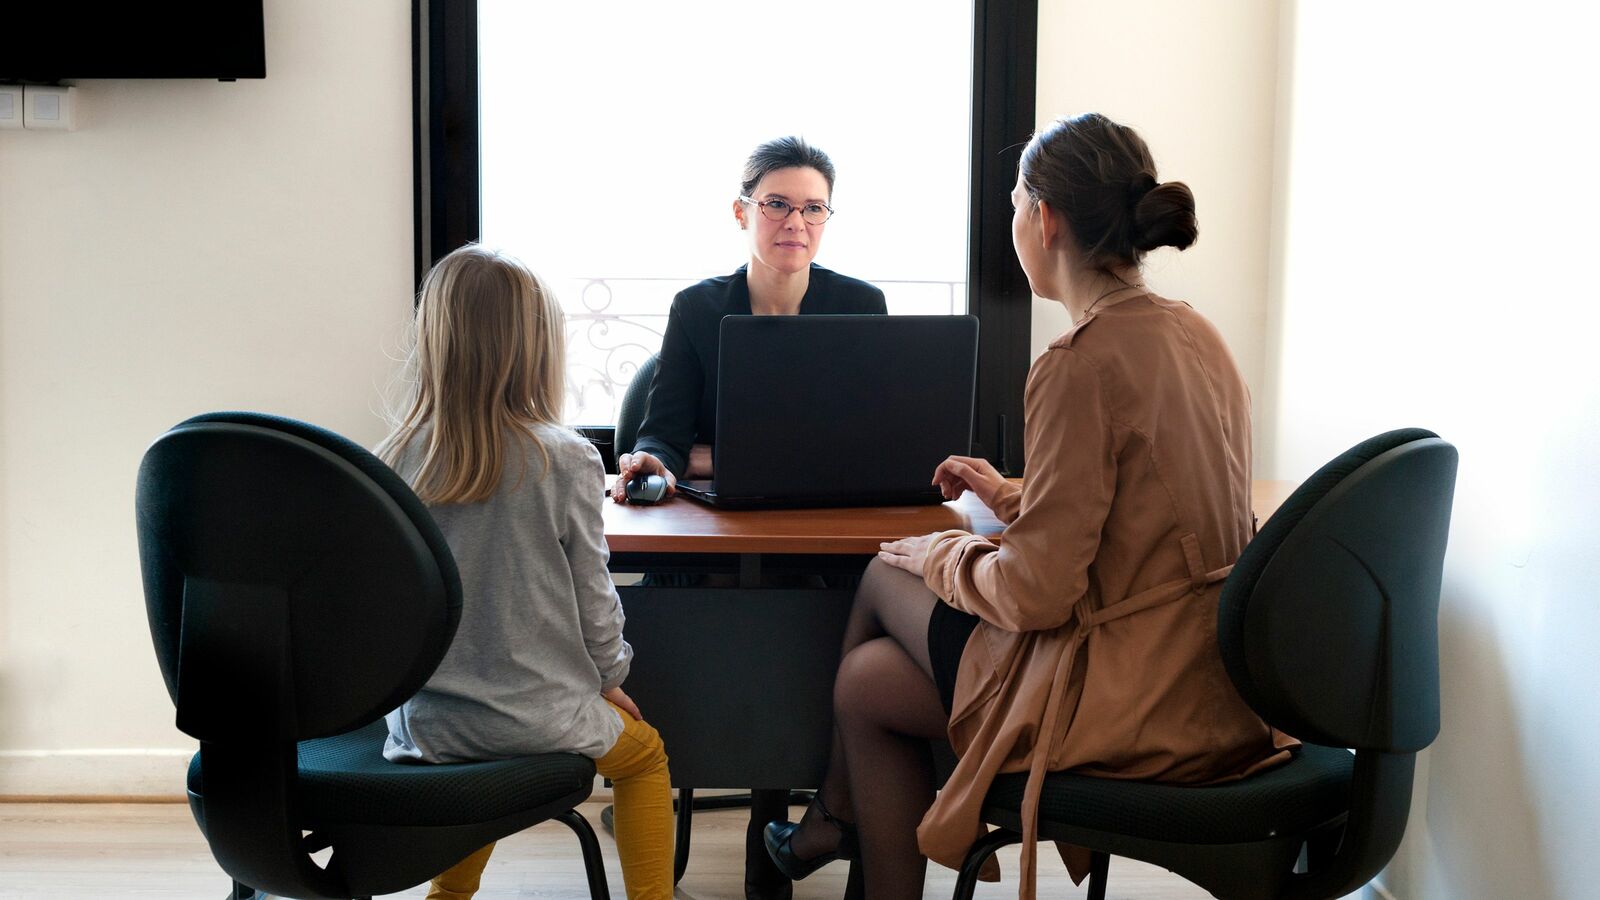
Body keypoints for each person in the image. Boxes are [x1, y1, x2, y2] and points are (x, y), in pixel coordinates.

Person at [761, 113, 1299, 900]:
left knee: (884, 575)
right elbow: (1144, 508)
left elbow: (1037, 593)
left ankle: (835, 817)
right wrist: (1011, 493)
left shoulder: (1076, 365)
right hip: (1214, 676)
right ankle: (833, 819)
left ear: (1042, 219)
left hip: (1128, 692)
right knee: (867, 682)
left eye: (1014, 202)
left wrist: (939, 553)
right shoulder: (1198, 337)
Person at [375, 245, 674, 900]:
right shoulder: (565, 460)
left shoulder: (394, 457)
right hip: (538, 714)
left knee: (481, 769)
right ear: (536, 349)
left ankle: (447, 895)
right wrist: (612, 680)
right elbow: (597, 606)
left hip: (428, 722)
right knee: (645, 755)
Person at [611, 135, 886, 501]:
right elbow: (664, 436)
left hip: (830, 509)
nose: (795, 222)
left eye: (814, 208)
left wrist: (720, 459)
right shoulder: (696, 309)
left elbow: (866, 446)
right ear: (742, 213)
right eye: (777, 204)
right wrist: (653, 458)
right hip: (722, 517)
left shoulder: (860, 305)